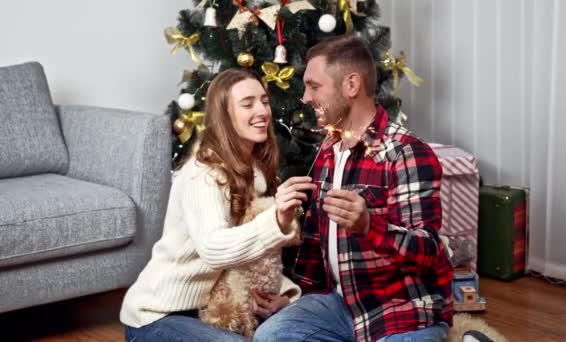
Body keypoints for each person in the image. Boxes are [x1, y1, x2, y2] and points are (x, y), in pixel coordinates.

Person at [254, 35, 454, 342]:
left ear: (351, 85)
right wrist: (298, 301)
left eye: (314, 86)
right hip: (342, 303)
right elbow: (316, 244)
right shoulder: (328, 150)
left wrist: (369, 226)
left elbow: (428, 252)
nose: (305, 98)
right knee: (270, 336)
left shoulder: (406, 152)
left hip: (403, 310)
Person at [120, 68, 315, 342]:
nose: (262, 111)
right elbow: (213, 248)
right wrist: (277, 220)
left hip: (207, 312)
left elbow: (254, 259)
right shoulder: (203, 174)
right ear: (224, 115)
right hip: (158, 316)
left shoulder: (256, 173)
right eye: (247, 104)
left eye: (264, 101)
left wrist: (286, 296)